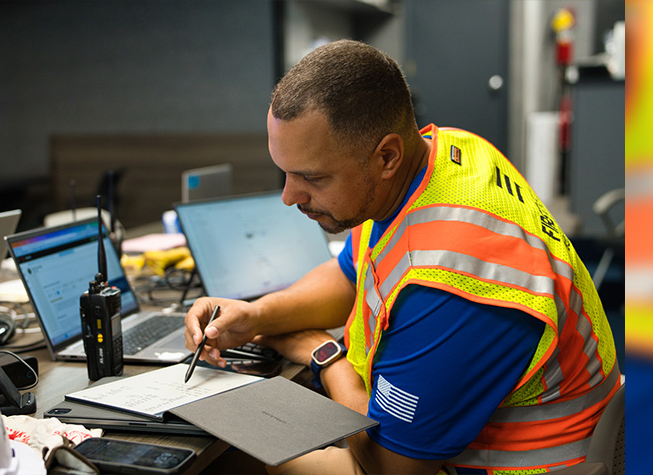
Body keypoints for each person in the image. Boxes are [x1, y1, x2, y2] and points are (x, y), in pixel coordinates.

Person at [184, 40, 620, 475]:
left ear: (387, 156)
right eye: (285, 171)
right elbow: (351, 275)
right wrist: (257, 316)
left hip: (502, 468)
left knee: (243, 455)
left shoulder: (452, 286)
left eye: (311, 177)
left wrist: (323, 355)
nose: (289, 196)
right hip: (464, 443)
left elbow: (389, 468)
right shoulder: (448, 155)